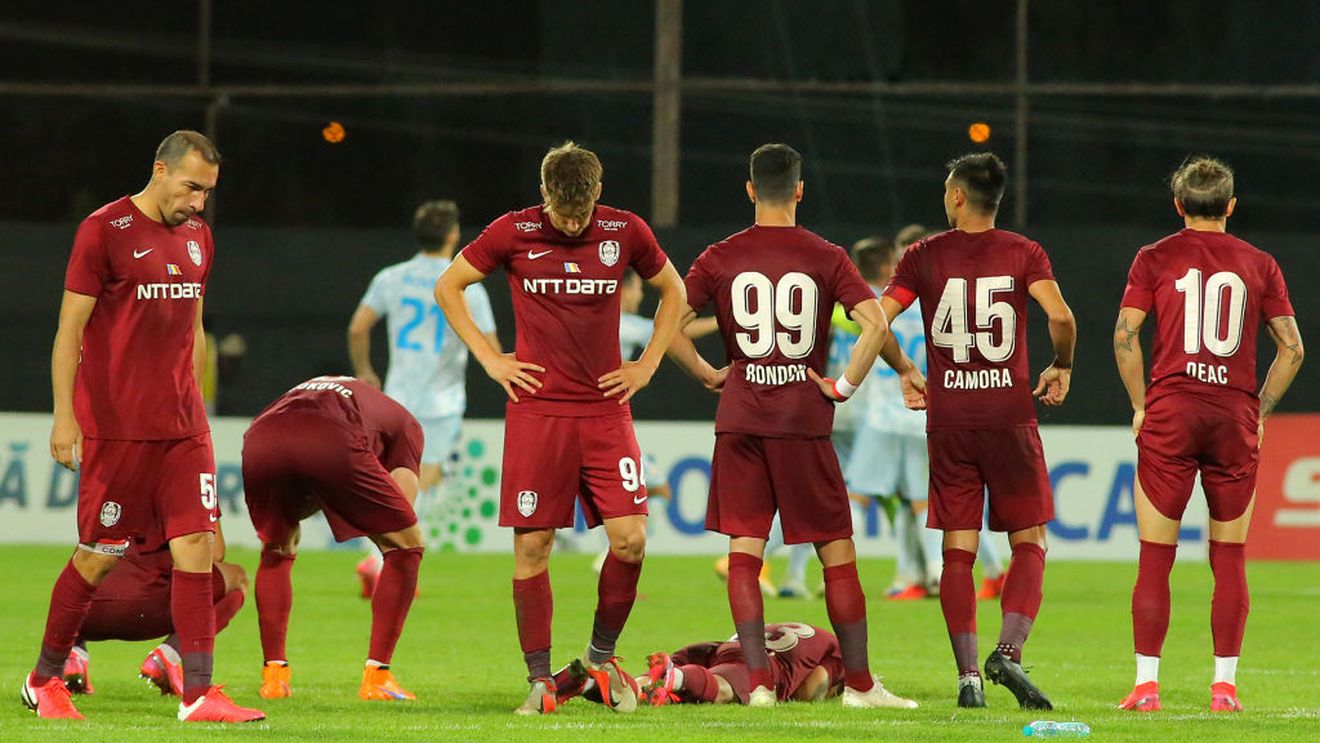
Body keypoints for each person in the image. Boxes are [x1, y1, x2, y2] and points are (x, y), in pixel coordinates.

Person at [434, 141, 686, 715]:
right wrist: (492, 358)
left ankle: (599, 658)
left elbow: (675, 290)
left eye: (581, 212)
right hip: (537, 413)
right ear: (545, 192)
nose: (572, 223)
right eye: (563, 212)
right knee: (534, 547)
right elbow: (448, 287)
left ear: (597, 193)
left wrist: (646, 364)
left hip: (604, 412)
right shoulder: (512, 231)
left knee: (631, 540)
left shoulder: (626, 230)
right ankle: (541, 681)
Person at [666, 143, 922, 710]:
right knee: (837, 552)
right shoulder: (825, 256)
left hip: (740, 422)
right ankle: (859, 686)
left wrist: (710, 372)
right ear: (800, 191)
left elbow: (668, 324)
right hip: (803, 423)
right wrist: (847, 386)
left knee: (745, 551)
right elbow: (875, 323)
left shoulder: (719, 256)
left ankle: (758, 684)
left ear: (751, 190)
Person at [25, 130, 263, 723]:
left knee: (197, 547)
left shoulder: (199, 237)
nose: (199, 202)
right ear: (160, 170)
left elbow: (195, 327)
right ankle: (44, 677)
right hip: (118, 428)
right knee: (98, 556)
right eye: (191, 187)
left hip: (183, 427)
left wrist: (197, 405)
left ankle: (199, 694)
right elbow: (69, 332)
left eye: (208, 191)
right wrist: (64, 414)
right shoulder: (103, 231)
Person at [878, 152, 1076, 710]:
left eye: (947, 188)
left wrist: (906, 369)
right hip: (1009, 417)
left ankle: (968, 677)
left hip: (951, 421)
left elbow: (877, 317)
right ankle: (1007, 653)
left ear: (959, 196)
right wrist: (1061, 364)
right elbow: (1060, 316)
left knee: (958, 549)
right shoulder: (1023, 252)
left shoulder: (924, 255)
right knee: (1029, 540)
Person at [1113, 157, 1303, 713]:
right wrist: (1260, 408)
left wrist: (1140, 405)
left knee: (1155, 557)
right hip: (1231, 418)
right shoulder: (1259, 263)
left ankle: (1147, 687)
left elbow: (1126, 336)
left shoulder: (1154, 257)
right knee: (1230, 558)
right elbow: (1292, 349)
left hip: (1172, 412)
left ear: (1178, 206)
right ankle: (1224, 688)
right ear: (1231, 206)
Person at [243, 375, 426, 702]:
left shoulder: (321, 389)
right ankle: (378, 676)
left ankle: (274, 678)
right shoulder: (406, 424)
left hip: (261, 436)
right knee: (407, 545)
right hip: (329, 435)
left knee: (277, 548)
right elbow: (401, 509)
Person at [348, 200, 498, 595]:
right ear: (452, 235)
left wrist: (364, 370)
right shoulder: (465, 285)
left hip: (396, 399)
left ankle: (372, 554)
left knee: (386, 480)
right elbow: (490, 346)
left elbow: (359, 328)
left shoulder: (391, 278)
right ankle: (386, 563)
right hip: (442, 402)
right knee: (422, 483)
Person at [848, 233, 1007, 602]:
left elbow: (856, 327)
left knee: (871, 496)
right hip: (934, 413)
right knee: (930, 500)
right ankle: (922, 575)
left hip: (889, 416)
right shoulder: (946, 302)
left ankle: (926, 575)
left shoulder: (883, 305)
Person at [62, 521, 248, 698]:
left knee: (78, 574)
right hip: (146, 608)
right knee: (237, 577)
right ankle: (169, 655)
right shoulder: (187, 487)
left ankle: (74, 653)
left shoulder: (105, 485)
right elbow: (214, 554)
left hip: (86, 613)